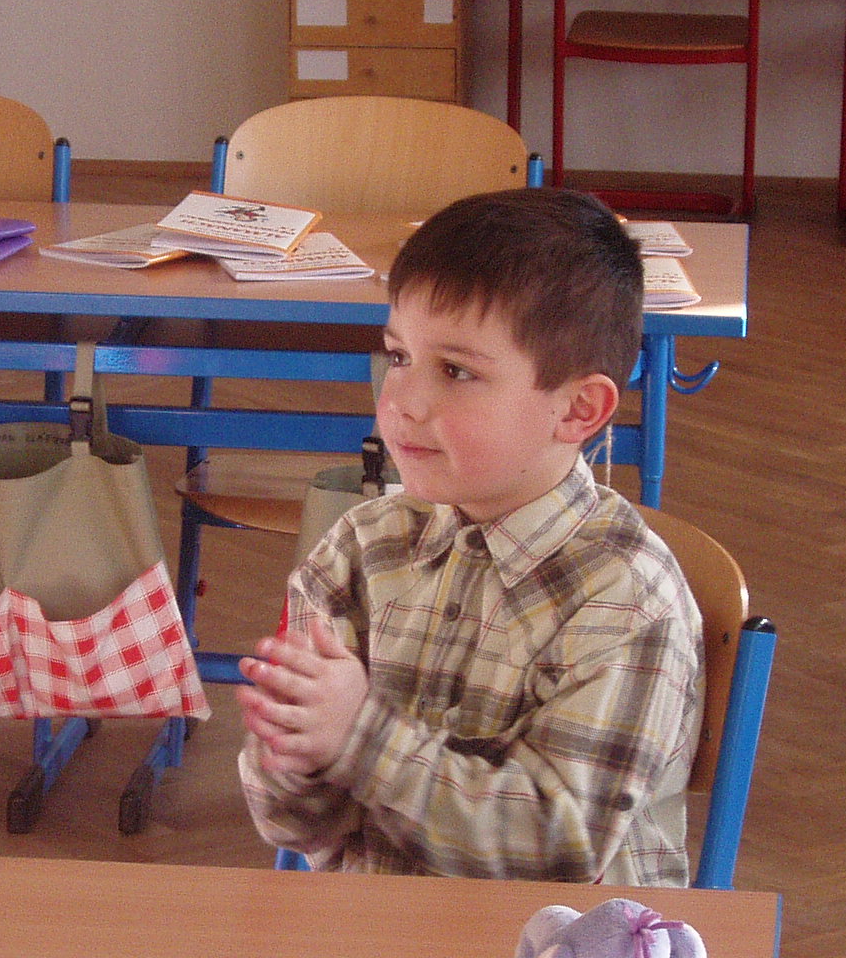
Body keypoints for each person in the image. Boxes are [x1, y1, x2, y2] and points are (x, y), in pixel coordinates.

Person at [236, 188, 702, 883]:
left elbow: (561, 852)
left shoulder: (629, 598)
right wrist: (295, 754)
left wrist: (360, 739)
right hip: (370, 933)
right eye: (399, 356)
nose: (402, 402)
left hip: (553, 946)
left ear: (579, 408)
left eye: (456, 371)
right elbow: (297, 827)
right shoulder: (360, 548)